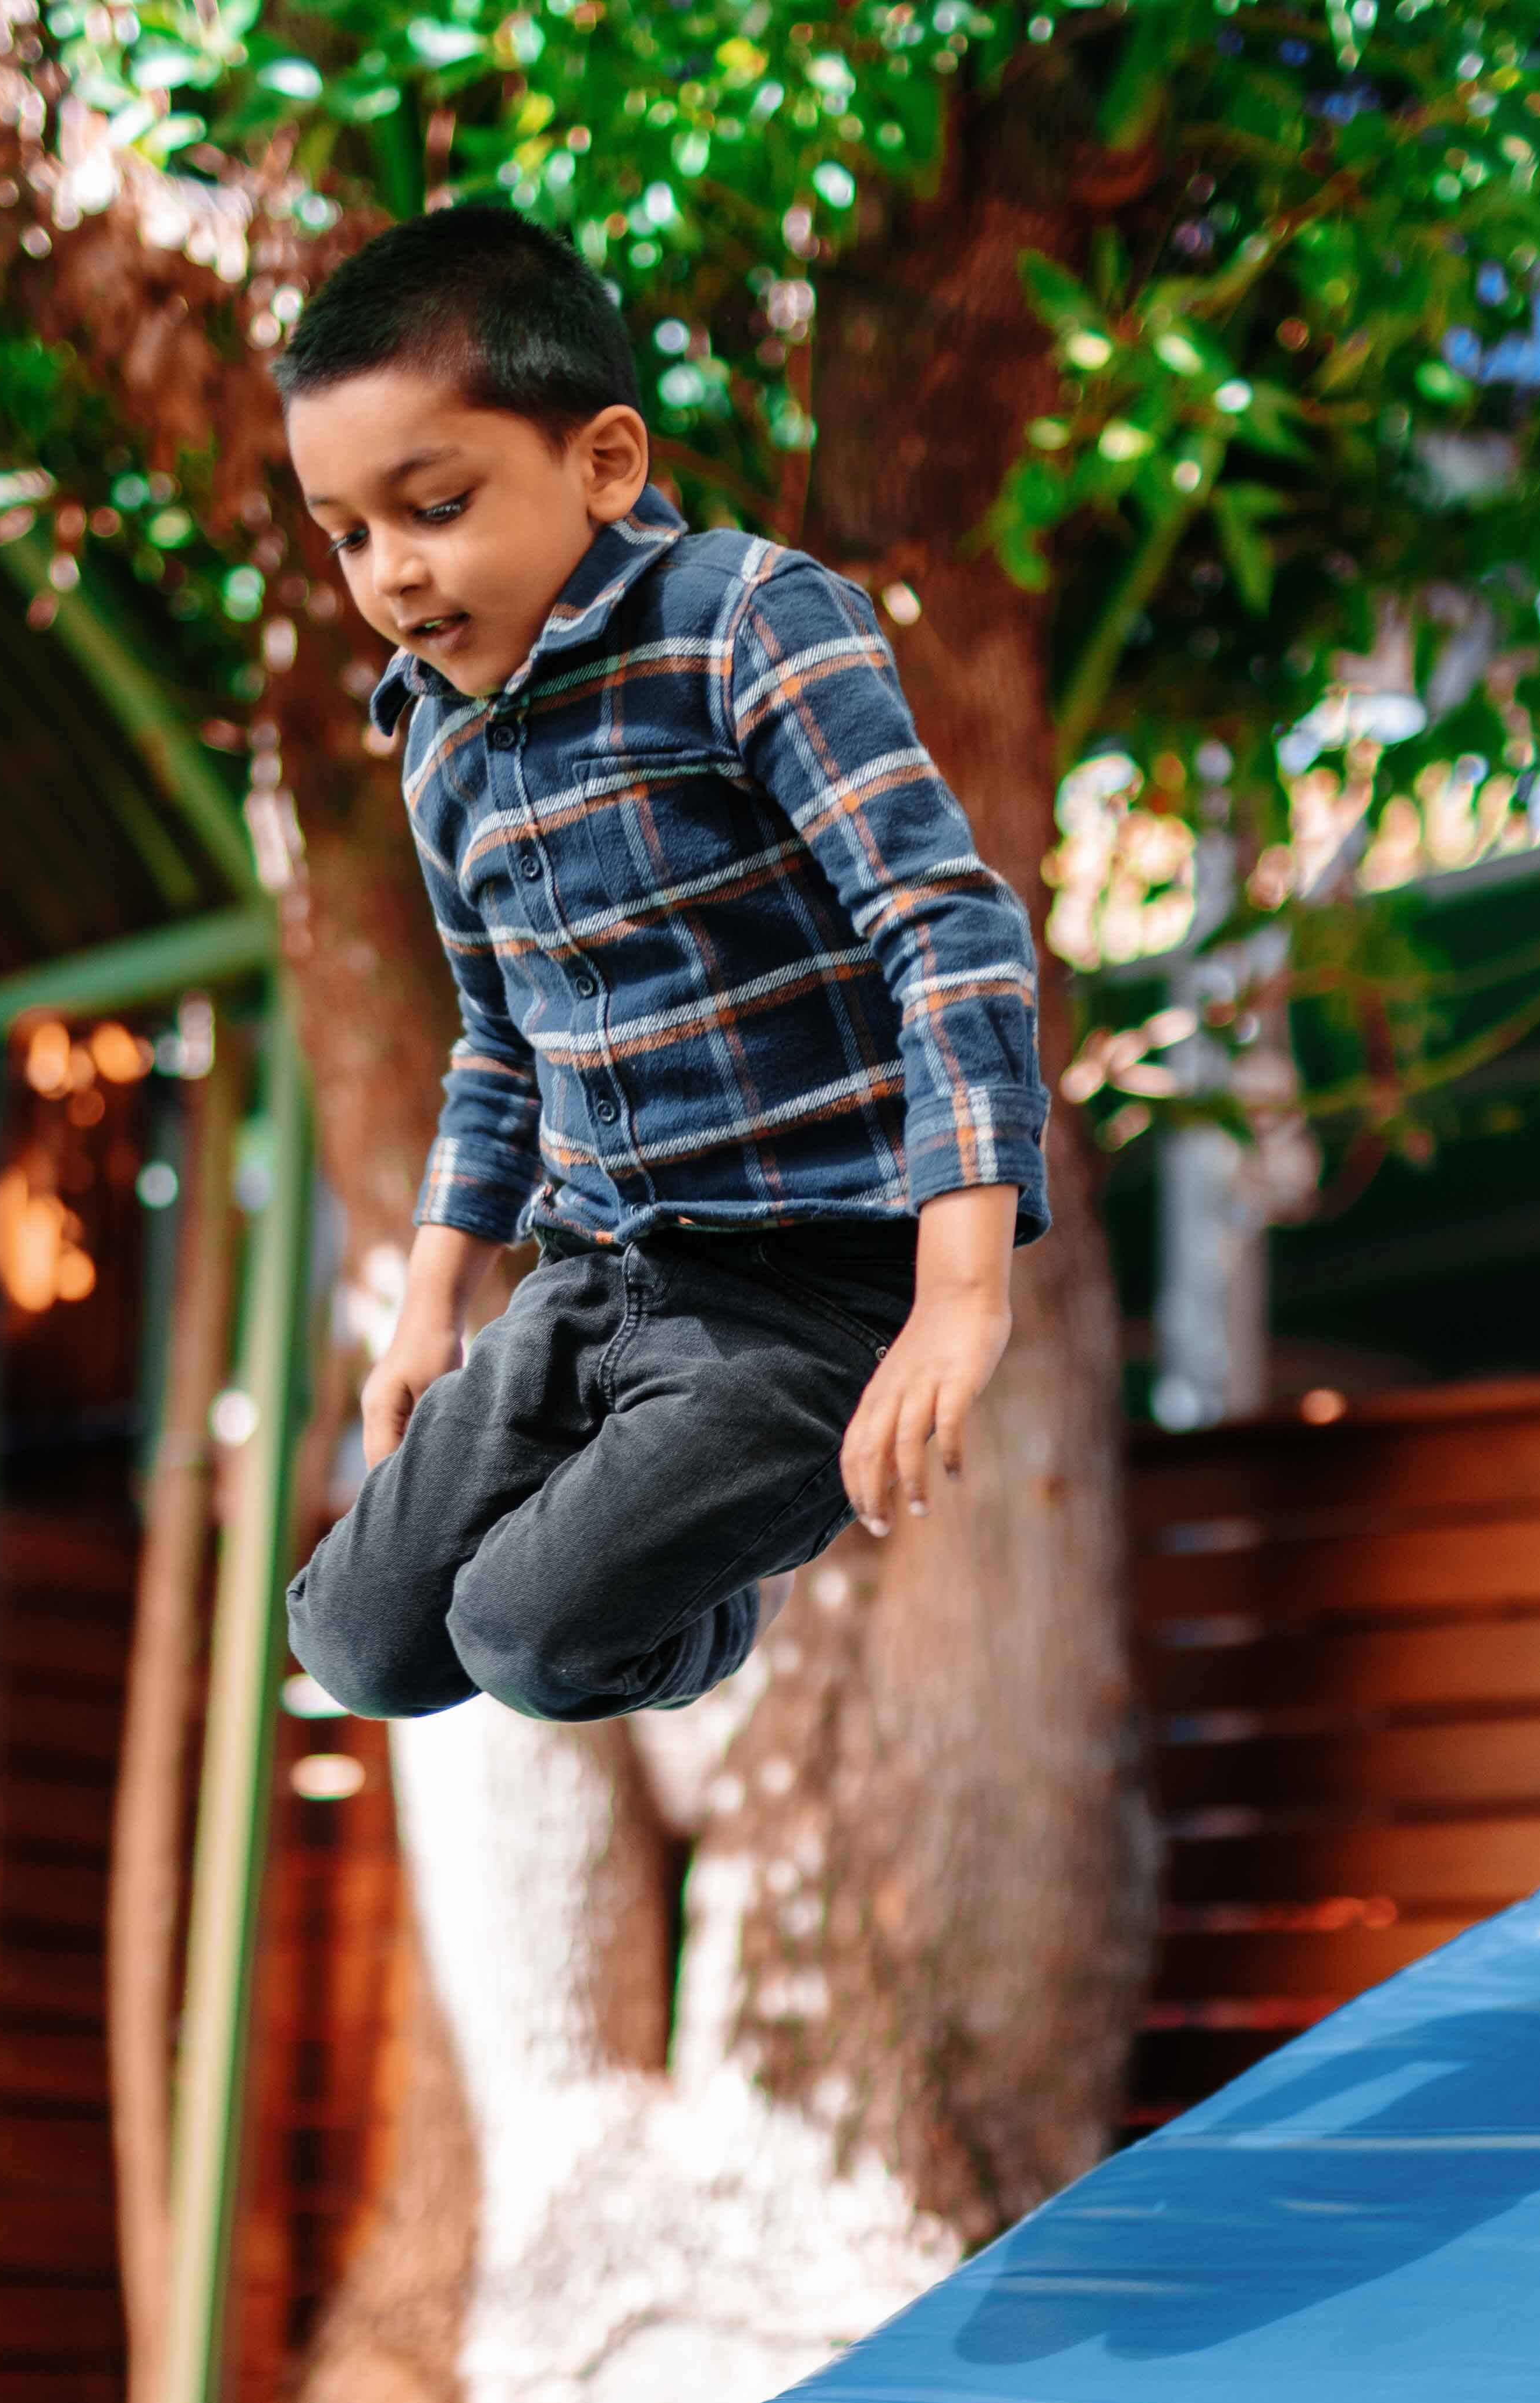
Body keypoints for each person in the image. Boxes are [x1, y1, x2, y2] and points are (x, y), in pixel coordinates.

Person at [270, 204, 1052, 1726]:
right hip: (599, 1275)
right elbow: (499, 1047)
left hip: (816, 1280)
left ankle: (709, 1563)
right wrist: (429, 1301)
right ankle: (643, 1506)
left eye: (433, 506)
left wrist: (956, 1292)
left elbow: (944, 925)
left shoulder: (745, 620)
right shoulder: (436, 742)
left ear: (602, 463)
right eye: (349, 534)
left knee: (526, 1637)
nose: (391, 574)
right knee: (351, 1639)